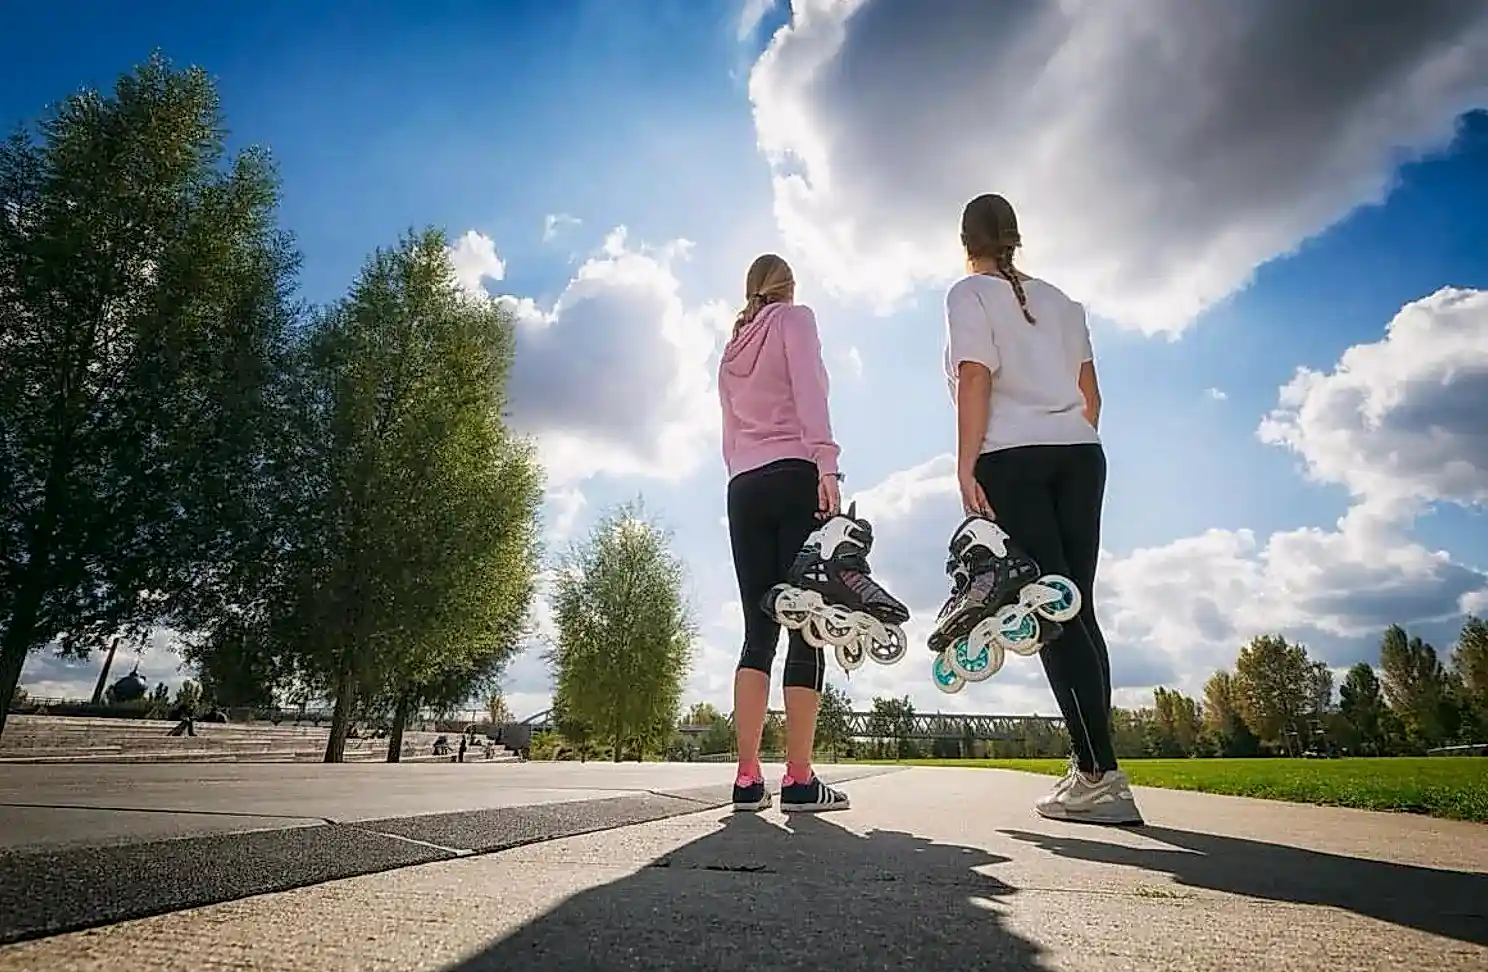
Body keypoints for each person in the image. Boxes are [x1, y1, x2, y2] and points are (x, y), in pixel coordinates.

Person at [937, 194, 1143, 826]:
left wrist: (967, 463)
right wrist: (1068, 442)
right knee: (1076, 603)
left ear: (965, 241)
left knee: (1050, 608)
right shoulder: (1063, 302)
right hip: (1081, 455)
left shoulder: (968, 295)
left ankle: (1101, 777)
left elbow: (975, 377)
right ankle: (1093, 771)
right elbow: (1091, 396)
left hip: (1012, 459)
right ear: (1015, 239)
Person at [718, 253, 852, 814]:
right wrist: (827, 466)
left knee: (758, 631)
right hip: (796, 475)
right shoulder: (795, 320)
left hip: (744, 486)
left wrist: (744, 479)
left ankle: (747, 778)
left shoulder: (730, 351)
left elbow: (729, 434)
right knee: (808, 627)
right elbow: (810, 395)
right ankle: (798, 779)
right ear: (788, 287)